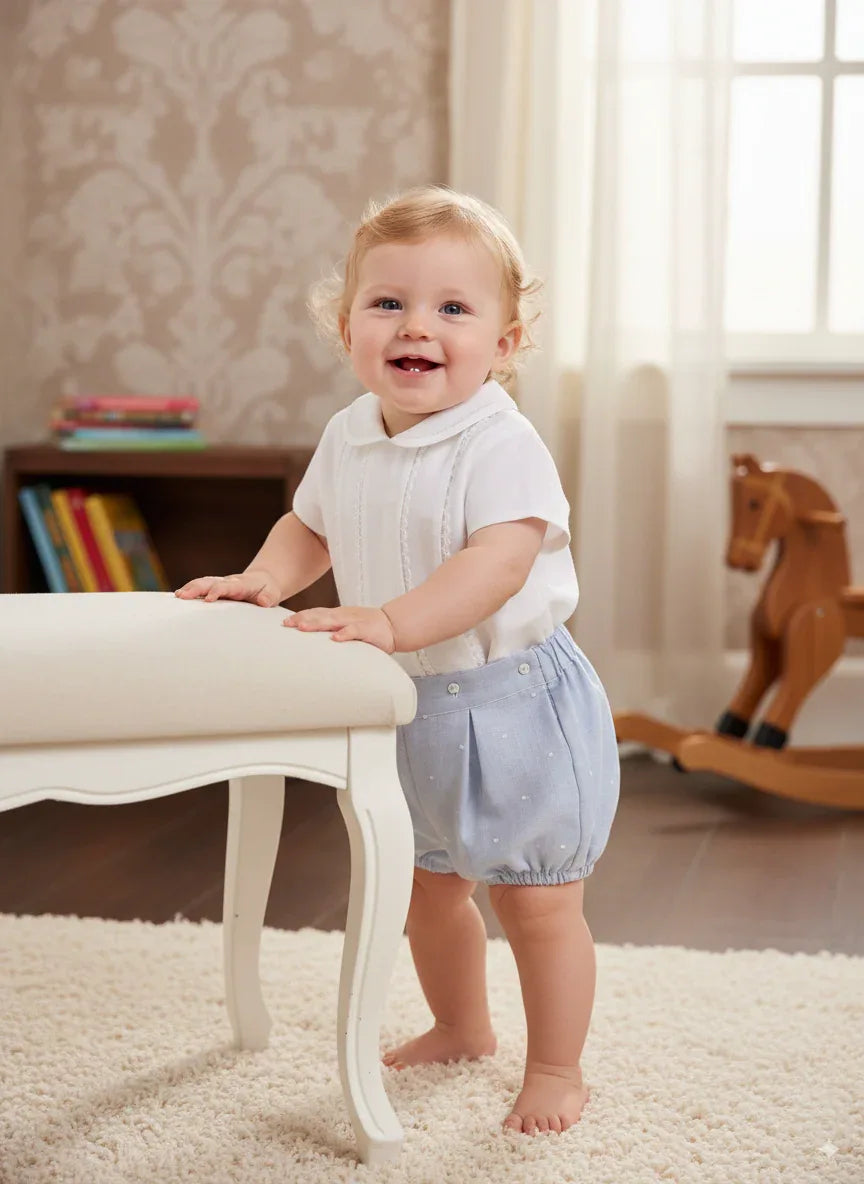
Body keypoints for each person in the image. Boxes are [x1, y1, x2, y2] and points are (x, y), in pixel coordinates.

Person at [175, 185, 620, 1136]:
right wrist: (266, 579)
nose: (418, 325)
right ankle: (461, 1024)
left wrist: (390, 620)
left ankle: (557, 1066)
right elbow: (310, 526)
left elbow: (497, 565)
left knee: (536, 903)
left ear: (503, 345)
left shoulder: (501, 443)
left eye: (454, 309)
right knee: (426, 889)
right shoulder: (351, 432)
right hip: (409, 704)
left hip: (513, 708)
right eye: (389, 304)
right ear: (348, 330)